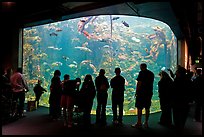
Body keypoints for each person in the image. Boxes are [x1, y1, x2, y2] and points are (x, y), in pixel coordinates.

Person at [132, 63, 154, 128]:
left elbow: (139, 83)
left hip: (141, 93)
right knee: (147, 108)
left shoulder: (141, 73)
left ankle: (139, 122)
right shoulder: (151, 73)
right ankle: (146, 122)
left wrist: (136, 91)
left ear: (141, 67)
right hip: (149, 93)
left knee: (139, 107)